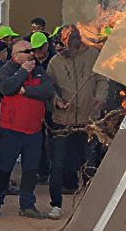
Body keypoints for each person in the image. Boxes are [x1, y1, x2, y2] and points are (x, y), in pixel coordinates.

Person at [0, 36, 53, 219]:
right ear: (15, 55)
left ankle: (27, 205)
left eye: (32, 51)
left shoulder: (39, 71)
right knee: (3, 168)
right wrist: (21, 73)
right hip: (11, 129)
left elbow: (47, 91)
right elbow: (7, 88)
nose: (32, 54)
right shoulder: (4, 70)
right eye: (27, 52)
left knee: (30, 169)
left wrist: (26, 91)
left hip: (34, 130)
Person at [45, 25, 110, 220]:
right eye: (61, 43)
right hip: (61, 121)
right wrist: (55, 99)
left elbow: (102, 80)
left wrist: (100, 96)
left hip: (87, 120)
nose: (63, 47)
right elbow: (49, 86)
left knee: (87, 161)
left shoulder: (93, 56)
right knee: (57, 163)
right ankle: (56, 204)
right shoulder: (55, 62)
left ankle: (87, 204)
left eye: (69, 42)